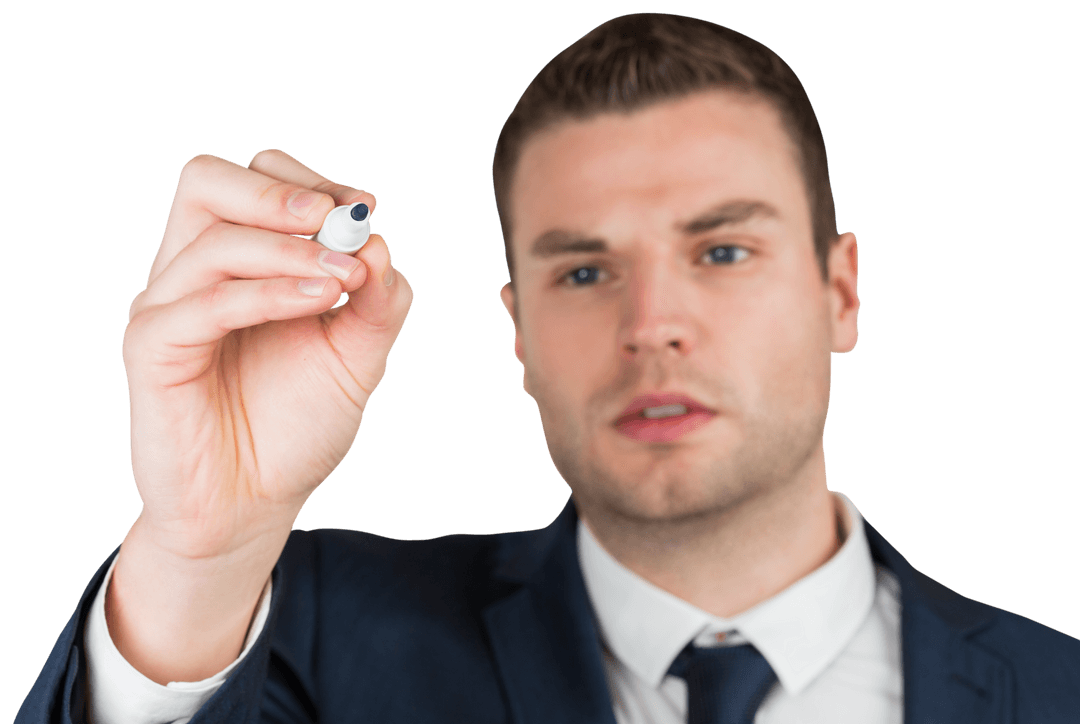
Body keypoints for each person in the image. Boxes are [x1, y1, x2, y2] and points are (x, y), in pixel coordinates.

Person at [17, 12, 1079, 724]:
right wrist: (203, 547)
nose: (652, 325)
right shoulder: (317, 633)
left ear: (840, 292)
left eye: (721, 251)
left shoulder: (1057, 689)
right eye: (583, 271)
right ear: (518, 333)